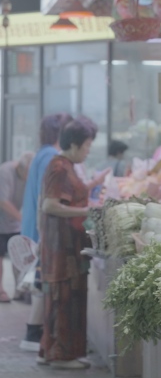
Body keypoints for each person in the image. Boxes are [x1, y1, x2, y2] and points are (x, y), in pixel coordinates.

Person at [38, 118, 107, 369]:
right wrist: (87, 210)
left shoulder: (64, 165)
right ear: (75, 144)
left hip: (65, 246)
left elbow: (64, 197)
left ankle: (49, 351)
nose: (88, 150)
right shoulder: (60, 167)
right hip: (62, 248)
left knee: (61, 299)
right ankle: (62, 356)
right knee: (64, 299)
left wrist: (92, 186)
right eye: (87, 146)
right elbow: (50, 205)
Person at [19, 113, 73, 352]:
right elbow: (48, 198)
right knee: (42, 285)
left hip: (33, 226)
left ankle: (37, 334)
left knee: (41, 285)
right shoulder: (52, 157)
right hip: (41, 229)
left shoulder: (41, 153)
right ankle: (34, 335)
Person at [0, 152, 34, 303]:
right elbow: (2, 201)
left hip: (14, 223)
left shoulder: (28, 178)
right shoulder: (5, 172)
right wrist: (22, 218)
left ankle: (20, 289)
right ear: (21, 168)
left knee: (19, 255)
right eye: (29, 173)